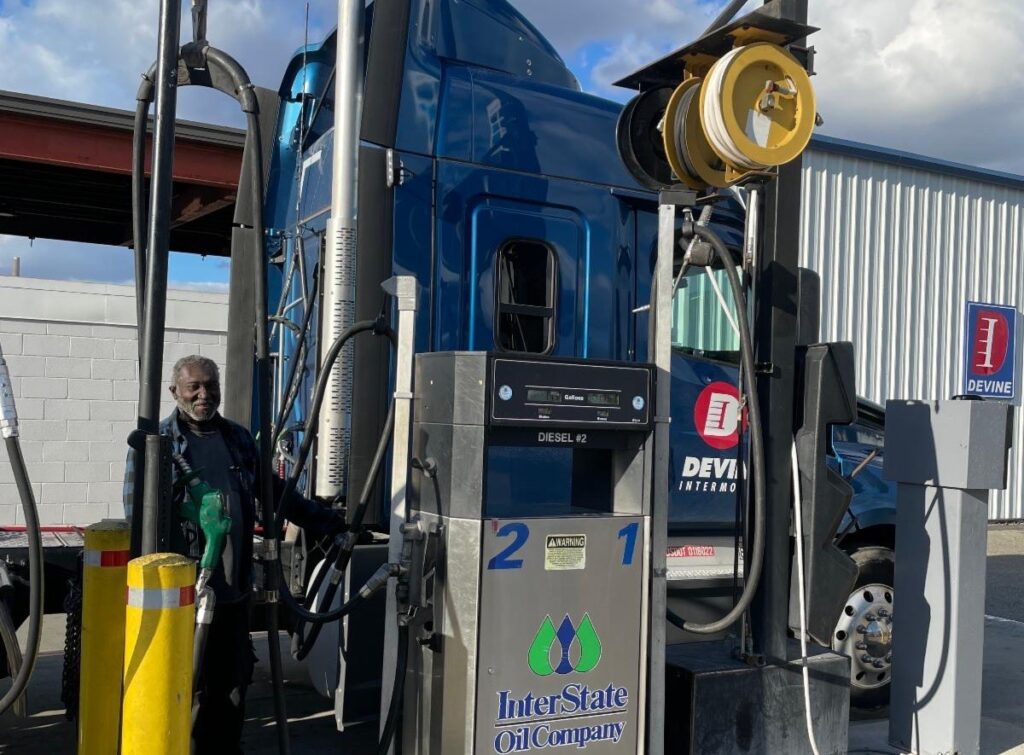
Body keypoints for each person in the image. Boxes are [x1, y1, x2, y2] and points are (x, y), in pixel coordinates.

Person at [123, 354, 343, 754]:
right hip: (182, 597)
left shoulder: (238, 438)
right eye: (195, 387)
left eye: (211, 386)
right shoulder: (159, 444)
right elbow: (137, 517)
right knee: (186, 681)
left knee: (233, 682)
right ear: (175, 392)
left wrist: (327, 520)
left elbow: (276, 494)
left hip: (234, 590)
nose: (204, 394)